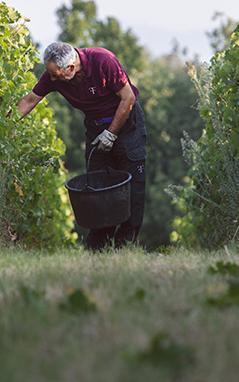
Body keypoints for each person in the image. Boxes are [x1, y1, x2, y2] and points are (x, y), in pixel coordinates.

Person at [11, 42, 147, 250]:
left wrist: (111, 134)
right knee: (96, 186)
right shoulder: (54, 74)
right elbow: (29, 100)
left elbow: (127, 98)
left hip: (127, 124)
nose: (53, 79)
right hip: (94, 128)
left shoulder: (104, 61)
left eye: (56, 75)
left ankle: (124, 246)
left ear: (72, 68)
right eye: (51, 75)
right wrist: (4, 126)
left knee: (133, 183)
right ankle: (97, 249)